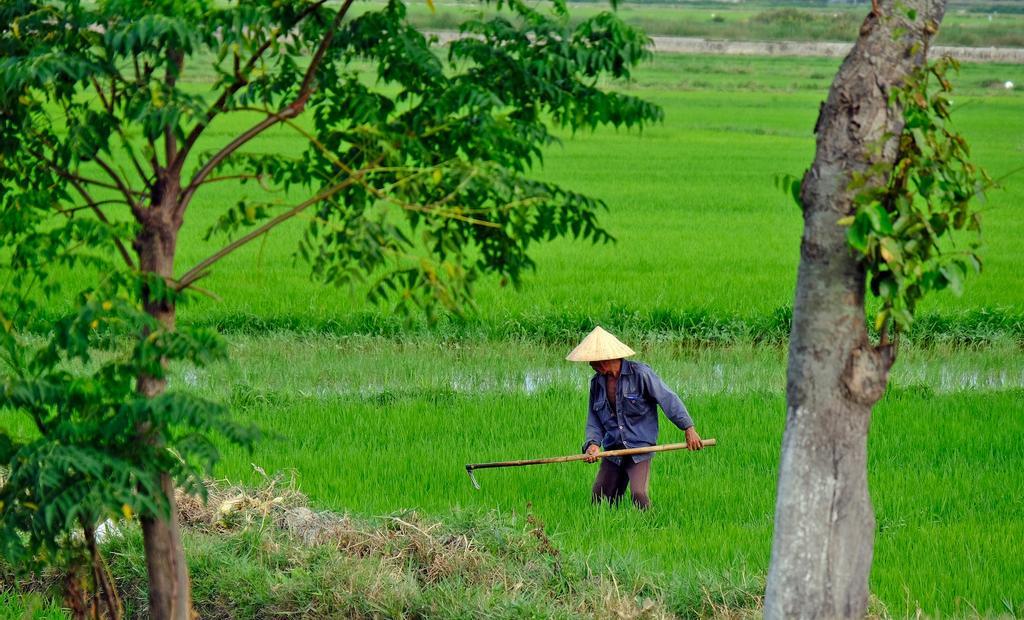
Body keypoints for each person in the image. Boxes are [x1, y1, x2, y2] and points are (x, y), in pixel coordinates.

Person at [566, 326, 702, 510]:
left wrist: (688, 428)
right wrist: (592, 444)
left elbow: (668, 399)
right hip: (613, 449)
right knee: (600, 497)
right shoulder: (597, 383)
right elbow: (594, 419)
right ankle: (608, 528)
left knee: (639, 494)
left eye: (595, 361)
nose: (592, 365)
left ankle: (650, 527)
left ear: (608, 357)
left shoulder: (641, 374)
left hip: (639, 448)